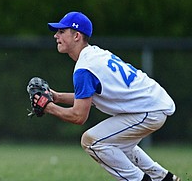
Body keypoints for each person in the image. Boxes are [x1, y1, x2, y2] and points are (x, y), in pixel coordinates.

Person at [41, 11, 180, 181]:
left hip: (148, 110)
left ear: (77, 35)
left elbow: (78, 116)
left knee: (92, 141)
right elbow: (89, 97)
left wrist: (48, 107)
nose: (56, 35)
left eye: (62, 31)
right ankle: (163, 178)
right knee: (117, 144)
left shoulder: (84, 68)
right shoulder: (95, 54)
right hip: (151, 104)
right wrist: (57, 97)